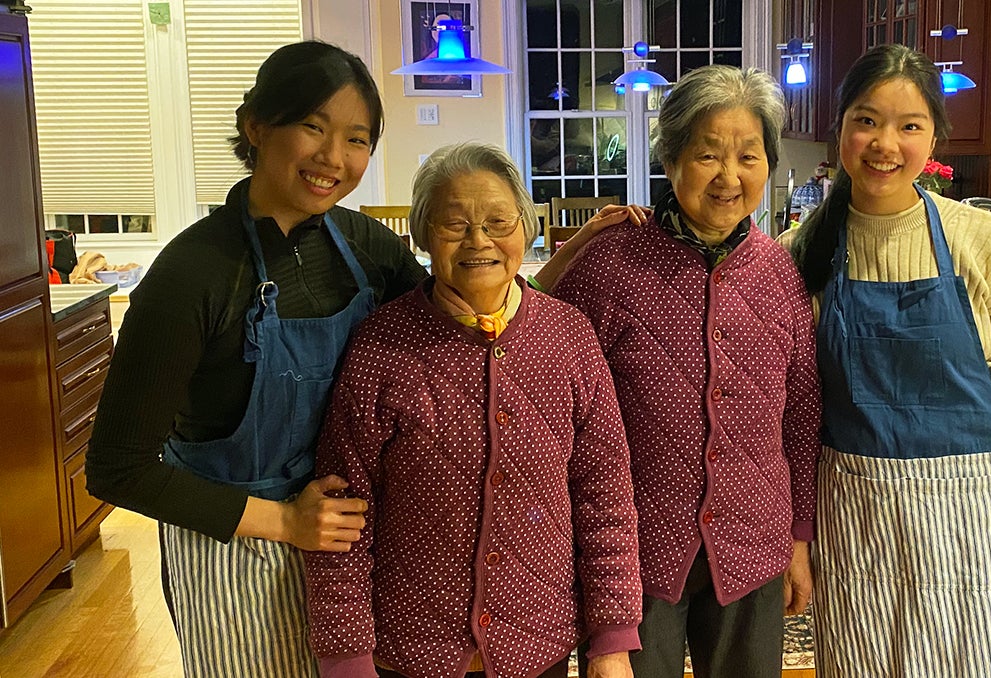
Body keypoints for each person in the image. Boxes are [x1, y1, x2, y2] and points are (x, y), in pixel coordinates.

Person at [84, 40, 627, 676]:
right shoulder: (192, 274)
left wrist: (562, 261)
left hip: (358, 554)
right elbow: (117, 469)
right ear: (255, 126)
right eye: (312, 126)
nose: (333, 158)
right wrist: (286, 521)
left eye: (357, 137)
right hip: (240, 550)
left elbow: (476, 302)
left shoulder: (363, 245)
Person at [302, 142, 642, 678]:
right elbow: (341, 517)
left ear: (525, 230)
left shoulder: (570, 336)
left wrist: (612, 640)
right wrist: (347, 658)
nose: (479, 240)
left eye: (498, 221)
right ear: (422, 236)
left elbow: (605, 494)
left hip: (539, 640)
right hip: (412, 649)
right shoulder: (381, 345)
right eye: (454, 224)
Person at [792, 43, 991, 675]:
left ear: (933, 137)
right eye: (867, 120)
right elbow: (790, 414)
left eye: (909, 126)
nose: (886, 142)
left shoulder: (983, 240)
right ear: (841, 129)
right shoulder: (800, 252)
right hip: (855, 526)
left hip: (975, 532)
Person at [552, 65, 822, 678]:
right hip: (636, 553)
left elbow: (802, 419)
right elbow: (538, 355)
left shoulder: (779, 272)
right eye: (708, 155)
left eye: (749, 156)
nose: (730, 177)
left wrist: (798, 543)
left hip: (755, 542)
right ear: (670, 160)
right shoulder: (612, 263)